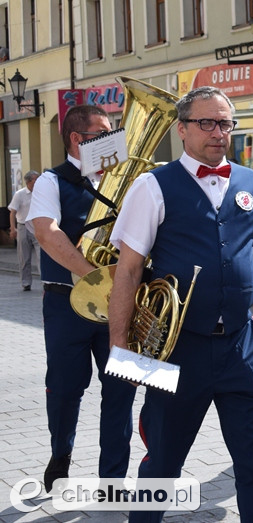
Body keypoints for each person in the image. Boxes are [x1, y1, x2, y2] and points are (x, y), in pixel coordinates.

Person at [106, 86, 253, 522]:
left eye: (225, 123)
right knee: (164, 461)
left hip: (242, 347)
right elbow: (127, 272)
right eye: (206, 123)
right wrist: (122, 355)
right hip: (174, 350)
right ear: (182, 130)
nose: (218, 132)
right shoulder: (152, 185)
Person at [27, 105, 136, 492]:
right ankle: (61, 453)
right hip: (67, 303)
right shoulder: (51, 182)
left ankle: (114, 477)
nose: (115, 141)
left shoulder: (130, 180)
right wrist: (91, 273)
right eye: (105, 133)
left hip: (123, 303)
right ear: (78, 139)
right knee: (64, 387)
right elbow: (46, 232)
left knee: (124, 387)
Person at [10, 170, 40, 291]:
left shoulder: (40, 193)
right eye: (36, 179)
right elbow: (12, 212)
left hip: (37, 227)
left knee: (41, 256)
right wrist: (13, 228)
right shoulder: (20, 194)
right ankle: (26, 282)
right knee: (24, 257)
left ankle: (45, 282)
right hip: (22, 227)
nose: (38, 181)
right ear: (29, 181)